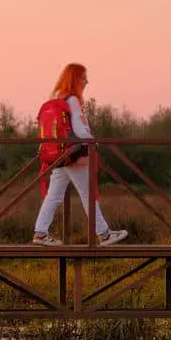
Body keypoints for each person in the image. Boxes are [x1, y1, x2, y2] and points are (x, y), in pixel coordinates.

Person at [31, 63, 128, 248]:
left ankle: (41, 233)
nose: (87, 81)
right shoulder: (73, 100)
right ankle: (105, 234)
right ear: (75, 79)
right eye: (84, 78)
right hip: (75, 155)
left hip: (60, 155)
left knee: (54, 196)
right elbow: (80, 129)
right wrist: (92, 141)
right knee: (88, 194)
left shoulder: (58, 98)